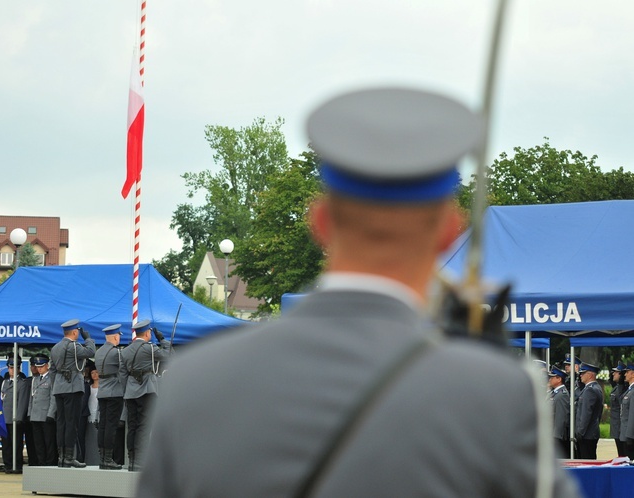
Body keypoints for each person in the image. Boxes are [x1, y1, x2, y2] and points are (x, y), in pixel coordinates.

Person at [137, 87, 580, 496]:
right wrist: (485, 367)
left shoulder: (197, 380)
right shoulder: (498, 394)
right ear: (449, 231)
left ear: (320, 221)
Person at [120, 319, 171, 471]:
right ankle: (140, 460)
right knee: (144, 425)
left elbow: (122, 374)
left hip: (130, 392)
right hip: (147, 390)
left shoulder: (125, 350)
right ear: (148, 333)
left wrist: (127, 389)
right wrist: (163, 340)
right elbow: (168, 355)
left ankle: (132, 459)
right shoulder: (150, 348)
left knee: (133, 426)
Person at [49, 318, 95, 468]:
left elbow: (52, 371)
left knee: (61, 423)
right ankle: (69, 457)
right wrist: (88, 339)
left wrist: (58, 384)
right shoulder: (73, 347)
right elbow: (91, 351)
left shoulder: (55, 347)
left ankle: (62, 457)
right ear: (75, 332)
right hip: (73, 388)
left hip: (59, 388)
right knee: (71, 423)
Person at [94, 323, 125, 470]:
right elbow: (123, 370)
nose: (119, 338)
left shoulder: (99, 352)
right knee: (111, 426)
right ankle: (108, 459)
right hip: (115, 392)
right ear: (114, 336)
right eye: (118, 335)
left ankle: (102, 457)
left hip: (102, 391)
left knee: (103, 426)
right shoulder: (116, 352)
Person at [0, 354, 29, 474]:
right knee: (6, 443)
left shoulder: (22, 383)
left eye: (15, 368)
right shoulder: (5, 382)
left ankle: (16, 464)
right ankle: (7, 464)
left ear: (19, 368)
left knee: (16, 444)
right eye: (10, 367)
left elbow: (22, 402)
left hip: (15, 418)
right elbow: (2, 399)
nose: (12, 370)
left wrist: (19, 418)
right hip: (5, 417)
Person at [27, 353, 57, 466]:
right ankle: (41, 462)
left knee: (48, 442)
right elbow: (31, 398)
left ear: (47, 365)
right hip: (35, 415)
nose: (39, 369)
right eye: (37, 366)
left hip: (46, 416)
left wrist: (51, 414)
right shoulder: (35, 380)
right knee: (38, 443)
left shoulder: (51, 378)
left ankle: (50, 463)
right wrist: (30, 413)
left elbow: (53, 397)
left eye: (41, 366)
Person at [575, 362, 603, 459]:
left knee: (586, 461)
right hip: (590, 433)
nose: (580, 375)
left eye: (583, 373)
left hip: (587, 434)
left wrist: (580, 432)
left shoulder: (590, 390)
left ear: (590, 375)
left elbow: (586, 414)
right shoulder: (593, 388)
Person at [547, 364, 571, 458]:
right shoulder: (555, 393)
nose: (549, 380)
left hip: (556, 436)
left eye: (552, 377)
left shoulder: (561, 395)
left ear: (559, 379)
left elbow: (560, 418)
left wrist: (556, 437)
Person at [609, 361, 627, 457]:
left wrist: (621, 384)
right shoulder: (616, 388)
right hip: (616, 426)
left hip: (620, 427)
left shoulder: (622, 388)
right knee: (620, 454)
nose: (613, 374)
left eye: (616, 372)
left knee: (623, 454)